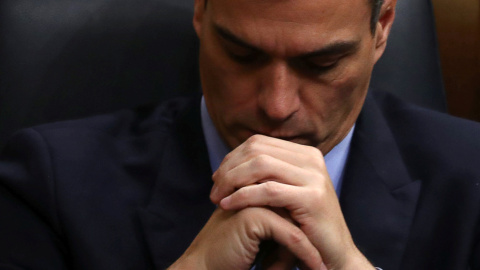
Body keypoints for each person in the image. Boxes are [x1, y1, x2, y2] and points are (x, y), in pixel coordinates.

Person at [0, 0, 479, 270]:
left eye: (321, 65)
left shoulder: (472, 181)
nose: (276, 104)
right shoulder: (50, 183)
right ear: (201, 13)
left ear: (381, 31)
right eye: (242, 56)